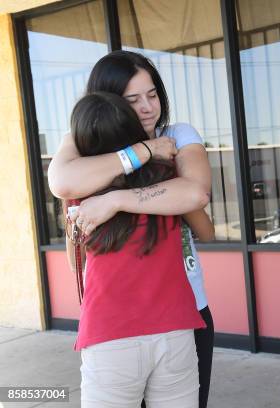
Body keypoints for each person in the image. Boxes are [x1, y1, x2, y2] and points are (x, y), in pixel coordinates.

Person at [48, 51, 215, 407]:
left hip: (173, 314)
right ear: (111, 102)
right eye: (133, 99)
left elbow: (198, 199)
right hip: (161, 325)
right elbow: (62, 181)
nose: (148, 107)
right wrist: (147, 153)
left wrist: (116, 200)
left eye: (152, 95)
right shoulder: (157, 165)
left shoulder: (175, 138)